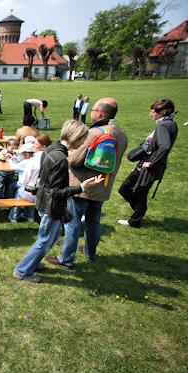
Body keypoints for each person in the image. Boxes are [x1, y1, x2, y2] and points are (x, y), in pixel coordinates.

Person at [14, 120, 105, 283]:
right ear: (76, 137)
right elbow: (57, 192)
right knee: (45, 239)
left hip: (43, 201)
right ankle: (22, 270)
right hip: (51, 206)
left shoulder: (51, 149)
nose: (84, 142)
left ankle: (32, 263)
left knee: (52, 235)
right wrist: (82, 187)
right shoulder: (60, 159)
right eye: (83, 138)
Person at [46, 98, 127, 269]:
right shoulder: (121, 134)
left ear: (99, 113)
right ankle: (91, 251)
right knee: (93, 221)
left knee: (73, 223)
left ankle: (66, 258)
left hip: (83, 186)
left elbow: (75, 160)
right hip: (103, 186)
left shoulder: (94, 133)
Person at [118, 98, 177, 228]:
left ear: (163, 112)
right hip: (152, 166)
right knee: (140, 192)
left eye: (153, 111)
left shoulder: (163, 125)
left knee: (126, 189)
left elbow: (165, 146)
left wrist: (152, 163)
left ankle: (138, 214)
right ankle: (136, 218)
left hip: (149, 167)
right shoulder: (171, 123)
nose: (151, 114)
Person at [9, 134, 52, 223]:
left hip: (35, 194)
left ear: (43, 146)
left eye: (35, 144)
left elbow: (25, 179)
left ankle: (14, 217)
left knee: (20, 191)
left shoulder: (33, 160)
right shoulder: (51, 158)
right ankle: (29, 216)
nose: (33, 146)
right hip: (46, 193)